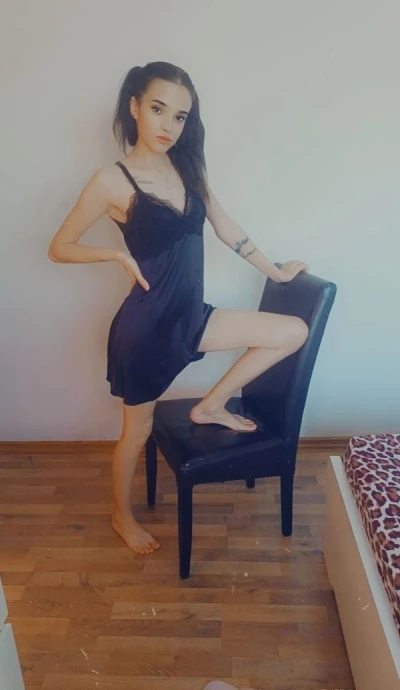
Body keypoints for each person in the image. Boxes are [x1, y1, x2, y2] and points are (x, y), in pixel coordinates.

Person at [48, 61, 309, 555]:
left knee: (292, 330)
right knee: (137, 432)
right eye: (158, 109)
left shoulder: (188, 170)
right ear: (134, 108)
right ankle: (121, 515)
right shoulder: (111, 180)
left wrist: (274, 271)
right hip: (145, 329)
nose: (168, 125)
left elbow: (227, 227)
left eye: (180, 116)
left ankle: (210, 405)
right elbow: (59, 246)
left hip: (192, 317)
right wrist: (116, 255)